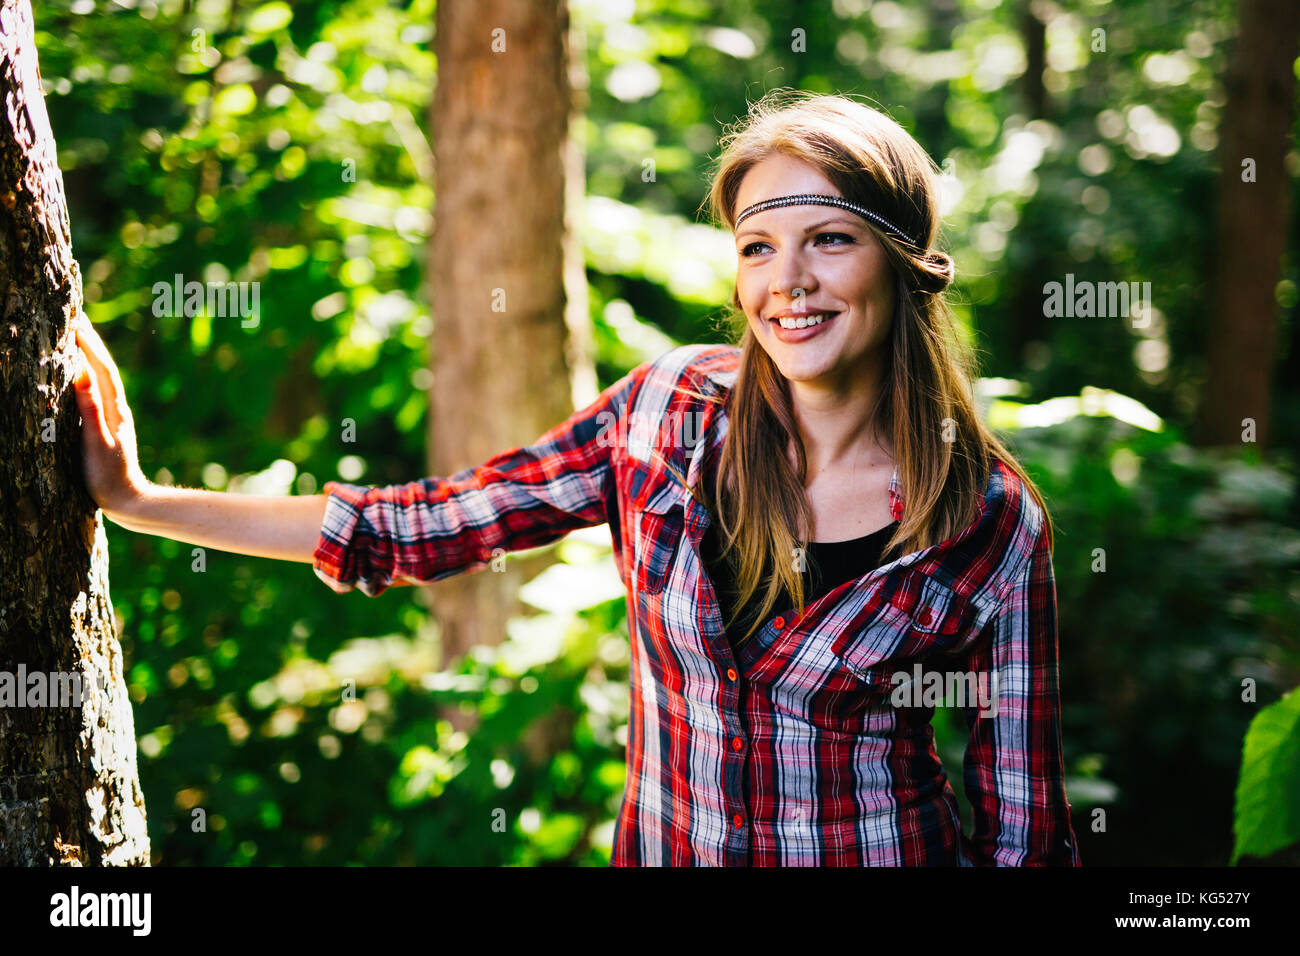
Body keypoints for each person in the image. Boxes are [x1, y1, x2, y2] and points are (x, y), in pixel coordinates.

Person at [74, 89, 1081, 867]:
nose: (788, 281)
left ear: (901, 261)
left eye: (829, 239)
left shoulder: (988, 524)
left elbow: (1023, 834)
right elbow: (417, 527)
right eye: (758, 246)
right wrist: (139, 500)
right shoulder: (659, 417)